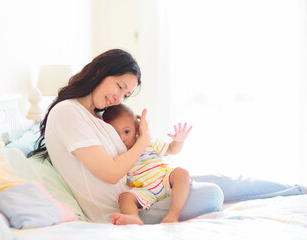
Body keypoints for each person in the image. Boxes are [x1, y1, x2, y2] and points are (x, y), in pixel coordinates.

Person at [29, 48, 306, 224]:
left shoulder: (95, 116)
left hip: (148, 187)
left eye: (125, 94)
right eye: (119, 86)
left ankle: (299, 190)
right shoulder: (67, 112)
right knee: (213, 193)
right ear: (101, 71)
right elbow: (111, 173)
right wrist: (143, 140)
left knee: (224, 179)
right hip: (130, 207)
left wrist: (151, 145)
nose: (119, 97)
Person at [102, 104, 193, 225]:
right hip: (143, 191)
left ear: (137, 128)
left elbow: (172, 149)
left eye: (127, 131)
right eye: (115, 135)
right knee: (125, 197)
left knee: (181, 173)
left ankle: (173, 214)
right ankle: (133, 218)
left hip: (165, 180)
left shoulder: (148, 142)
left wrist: (179, 140)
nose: (122, 138)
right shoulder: (117, 155)